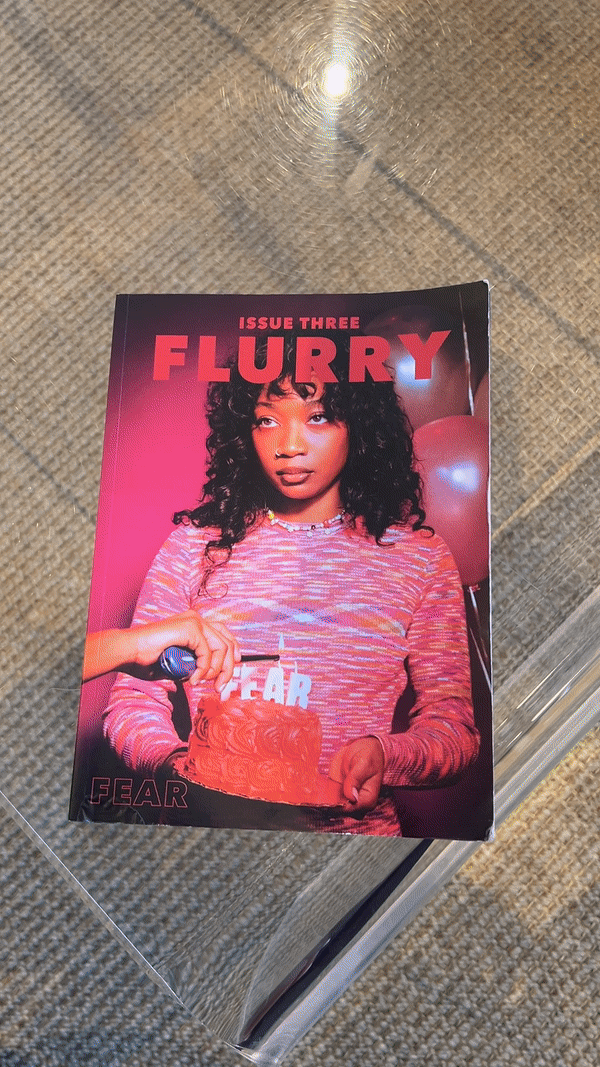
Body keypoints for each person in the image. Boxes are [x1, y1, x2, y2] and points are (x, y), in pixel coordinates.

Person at [102, 337, 480, 835]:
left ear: (359, 425)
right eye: (267, 420)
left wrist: (386, 754)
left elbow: (454, 731)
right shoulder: (195, 547)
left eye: (318, 417)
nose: (290, 445)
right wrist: (175, 767)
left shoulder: (419, 559)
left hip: (352, 845)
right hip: (210, 841)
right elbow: (131, 705)